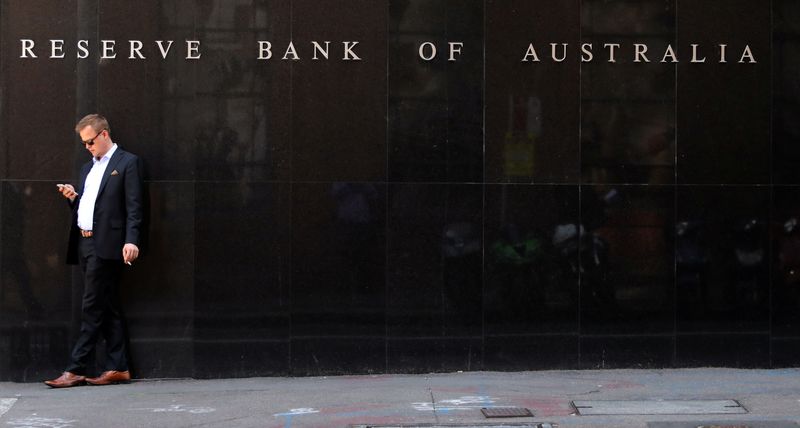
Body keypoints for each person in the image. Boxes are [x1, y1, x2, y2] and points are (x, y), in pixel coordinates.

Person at [45, 114, 143, 388]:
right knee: (107, 305)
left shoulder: (127, 163)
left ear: (103, 135)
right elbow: (91, 207)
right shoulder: (88, 168)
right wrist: (74, 199)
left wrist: (131, 240)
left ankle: (75, 368)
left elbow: (134, 208)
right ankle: (118, 367)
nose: (87, 147)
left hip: (107, 246)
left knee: (91, 307)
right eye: (84, 143)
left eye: (90, 141)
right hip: (85, 243)